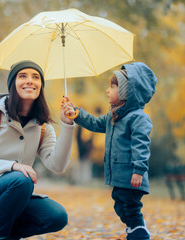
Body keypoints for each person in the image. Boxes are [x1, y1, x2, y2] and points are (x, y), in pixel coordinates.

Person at [0, 60, 75, 240]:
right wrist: (13, 166)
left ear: (41, 86)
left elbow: (57, 165)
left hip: (11, 195)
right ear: (12, 84)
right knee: (21, 179)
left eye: (35, 77)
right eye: (22, 76)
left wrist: (67, 124)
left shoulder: (42, 126)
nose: (29, 81)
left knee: (56, 216)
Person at [65, 62, 157, 240]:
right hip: (120, 176)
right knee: (120, 205)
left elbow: (141, 145)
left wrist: (139, 170)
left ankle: (139, 232)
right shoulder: (114, 116)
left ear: (125, 92)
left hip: (131, 176)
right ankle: (136, 228)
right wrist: (76, 112)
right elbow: (94, 123)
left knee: (130, 207)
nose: (108, 90)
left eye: (113, 87)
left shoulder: (138, 118)